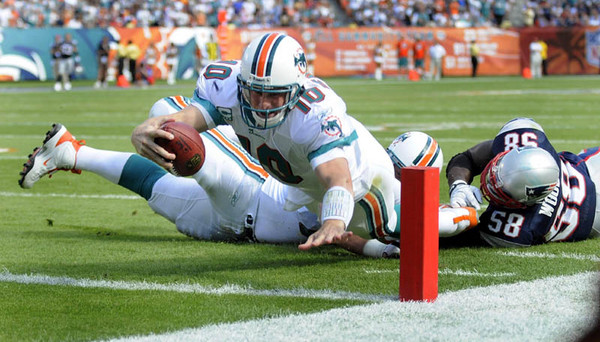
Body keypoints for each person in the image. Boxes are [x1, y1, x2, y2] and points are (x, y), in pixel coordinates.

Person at [130, 33, 477, 251]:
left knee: (402, 230)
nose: (262, 105)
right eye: (255, 92)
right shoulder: (227, 84)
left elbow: (337, 178)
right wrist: (148, 129)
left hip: (364, 180)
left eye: (275, 96)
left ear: (297, 89)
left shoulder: (316, 110)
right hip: (302, 183)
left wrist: (334, 220)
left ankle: (467, 209)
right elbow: (189, 120)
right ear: (242, 81)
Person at [18, 96, 400, 259]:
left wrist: (376, 246)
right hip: (250, 196)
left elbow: (343, 233)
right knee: (174, 125)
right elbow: (341, 231)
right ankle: (173, 134)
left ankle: (70, 152)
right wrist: (377, 248)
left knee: (156, 187)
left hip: (230, 225)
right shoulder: (353, 175)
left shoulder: (368, 189)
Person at [445, 117, 600, 247]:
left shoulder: (523, 227)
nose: (490, 183)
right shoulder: (525, 139)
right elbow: (469, 158)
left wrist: (451, 218)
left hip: (592, 215)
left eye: (501, 189)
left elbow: (453, 239)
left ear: (524, 202)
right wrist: (458, 185)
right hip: (587, 166)